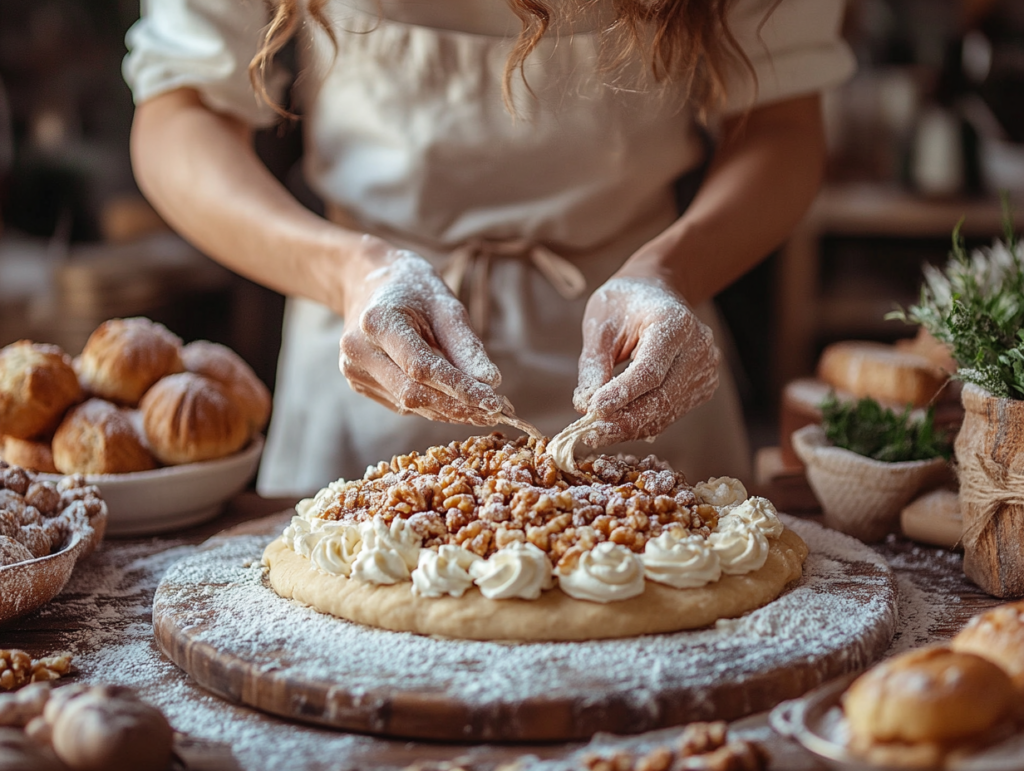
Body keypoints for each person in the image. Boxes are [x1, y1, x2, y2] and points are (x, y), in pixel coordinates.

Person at [123, 0, 854, 497]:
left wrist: (671, 271)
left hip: (639, 357)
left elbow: (781, 125)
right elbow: (179, 116)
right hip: (369, 350)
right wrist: (349, 270)